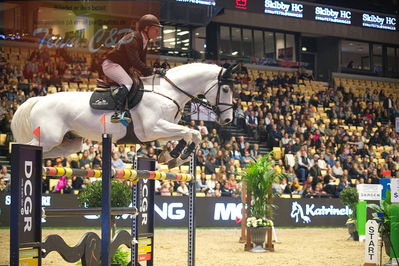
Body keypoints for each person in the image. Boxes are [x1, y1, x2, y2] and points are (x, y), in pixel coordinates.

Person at [102, 14, 163, 125]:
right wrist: (153, 71)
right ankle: (117, 113)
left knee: (141, 82)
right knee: (128, 82)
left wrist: (152, 76)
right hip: (111, 65)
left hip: (121, 67)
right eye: (156, 30)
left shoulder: (144, 40)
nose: (157, 33)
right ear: (146, 28)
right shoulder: (132, 39)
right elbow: (136, 63)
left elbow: (142, 63)